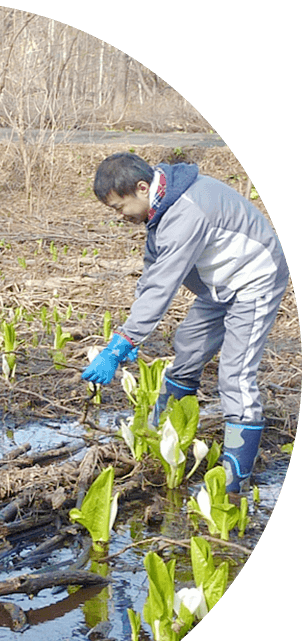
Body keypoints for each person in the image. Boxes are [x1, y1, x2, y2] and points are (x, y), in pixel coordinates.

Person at [82, 152, 288, 494]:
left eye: (119, 207)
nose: (119, 216)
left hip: (255, 278)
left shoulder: (186, 211)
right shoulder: (161, 205)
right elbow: (152, 276)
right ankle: (169, 433)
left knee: (235, 374)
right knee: (189, 344)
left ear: (142, 187)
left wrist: (121, 344)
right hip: (219, 280)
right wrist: (133, 334)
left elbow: (164, 285)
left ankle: (234, 479)